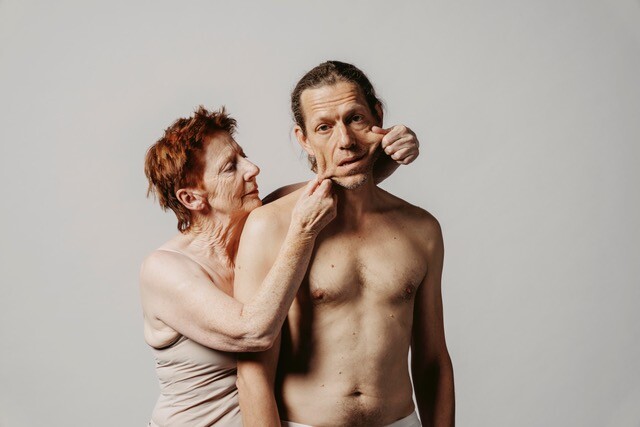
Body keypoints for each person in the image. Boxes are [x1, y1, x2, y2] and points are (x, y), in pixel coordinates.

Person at [140, 105, 420, 425]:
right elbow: (253, 333)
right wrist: (301, 233)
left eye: (243, 156)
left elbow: (341, 186)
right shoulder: (164, 270)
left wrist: (392, 146)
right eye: (231, 167)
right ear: (191, 198)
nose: (253, 168)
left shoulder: (262, 226)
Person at [234, 61, 455, 427]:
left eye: (355, 118)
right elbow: (253, 374)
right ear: (304, 138)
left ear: (378, 117)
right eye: (324, 127)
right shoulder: (270, 226)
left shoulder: (422, 229)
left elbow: (432, 361)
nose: (346, 141)